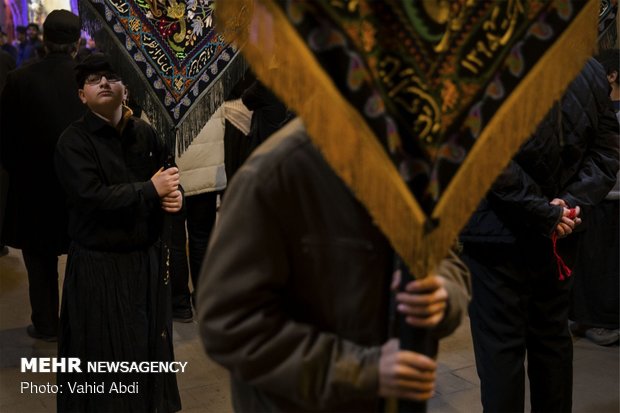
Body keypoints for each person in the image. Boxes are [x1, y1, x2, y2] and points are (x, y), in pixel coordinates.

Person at [197, 117, 471, 412]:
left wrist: (444, 294)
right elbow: (229, 322)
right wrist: (362, 371)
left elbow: (447, 257)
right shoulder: (277, 172)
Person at [460, 58, 619, 412]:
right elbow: (607, 152)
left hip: (497, 236)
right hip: (559, 235)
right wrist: (568, 205)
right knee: (552, 342)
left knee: (501, 351)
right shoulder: (589, 69)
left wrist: (546, 212)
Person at [54, 53, 182, 412]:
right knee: (103, 359)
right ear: (82, 95)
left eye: (112, 76)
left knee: (144, 350)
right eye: (94, 80)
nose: (105, 83)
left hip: (144, 265)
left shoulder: (146, 132)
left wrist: (174, 197)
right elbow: (89, 196)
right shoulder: (72, 141)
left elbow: (167, 179)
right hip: (99, 268)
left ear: (126, 88)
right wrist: (149, 191)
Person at [0, 9, 85, 342]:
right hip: (80, 186)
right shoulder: (92, 80)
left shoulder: (21, 79)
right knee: (82, 257)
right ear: (77, 43)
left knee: (40, 261)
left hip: (33, 187)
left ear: (44, 41)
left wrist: (17, 169)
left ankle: (47, 324)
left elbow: (4, 139)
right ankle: (78, 323)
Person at [569, 48, 620, 346]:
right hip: (593, 198)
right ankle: (584, 316)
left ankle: (606, 321)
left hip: (612, 197)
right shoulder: (594, 108)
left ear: (611, 75)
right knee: (589, 263)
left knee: (607, 265)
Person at [171, 105, 227, 321]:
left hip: (173, 171)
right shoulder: (209, 74)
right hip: (207, 167)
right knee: (202, 238)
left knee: (174, 240)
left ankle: (180, 304)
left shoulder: (159, 77)